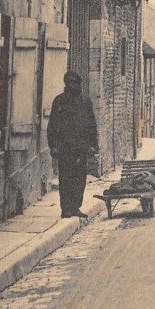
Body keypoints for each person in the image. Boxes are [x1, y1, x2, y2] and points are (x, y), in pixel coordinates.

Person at [47, 71, 99, 219]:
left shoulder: (85, 102)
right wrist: (54, 146)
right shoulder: (59, 101)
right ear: (66, 85)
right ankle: (66, 208)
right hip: (65, 147)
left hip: (81, 147)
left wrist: (93, 145)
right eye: (71, 84)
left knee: (79, 178)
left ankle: (76, 206)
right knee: (65, 178)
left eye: (76, 84)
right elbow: (53, 125)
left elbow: (91, 124)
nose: (75, 86)